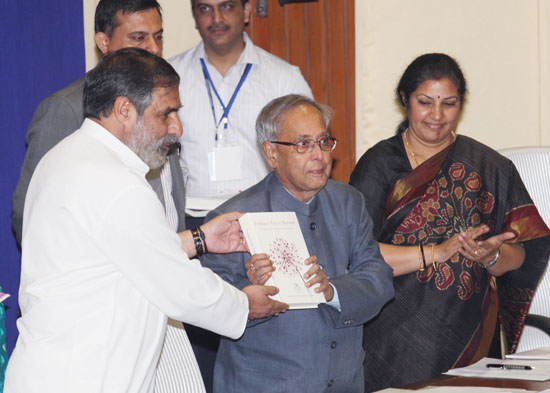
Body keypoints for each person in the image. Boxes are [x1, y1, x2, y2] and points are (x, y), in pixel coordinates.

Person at [4, 48, 288, 393]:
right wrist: (245, 305)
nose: (176, 128)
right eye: (166, 113)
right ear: (125, 110)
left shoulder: (68, 156)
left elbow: (116, 252)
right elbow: (179, 286)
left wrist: (199, 239)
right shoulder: (114, 182)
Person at [11, 1, 198, 392]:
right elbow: (30, 218)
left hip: (167, 292)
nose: (153, 48)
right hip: (106, 314)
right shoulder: (67, 109)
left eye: (158, 36)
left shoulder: (164, 98)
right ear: (103, 42)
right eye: (138, 37)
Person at [349, 53, 550, 391]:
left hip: (472, 335)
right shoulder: (379, 166)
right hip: (393, 336)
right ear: (405, 101)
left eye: (450, 103)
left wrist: (492, 256)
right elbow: (356, 254)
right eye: (425, 102)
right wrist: (434, 252)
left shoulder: (490, 167)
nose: (437, 116)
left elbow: (522, 258)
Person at [200, 94, 394, 393]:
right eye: (303, 144)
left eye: (324, 141)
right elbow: (209, 310)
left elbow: (378, 279)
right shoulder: (232, 219)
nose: (319, 155)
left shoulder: (348, 202)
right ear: (272, 153)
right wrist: (248, 292)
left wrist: (332, 291)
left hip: (344, 382)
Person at [169, 1, 312, 387]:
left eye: (227, 6)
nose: (216, 18)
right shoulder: (172, 75)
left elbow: (305, 154)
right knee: (198, 342)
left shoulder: (283, 77)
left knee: (260, 339)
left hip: (260, 226)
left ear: (248, 10)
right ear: (194, 15)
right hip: (194, 228)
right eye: (205, 8)